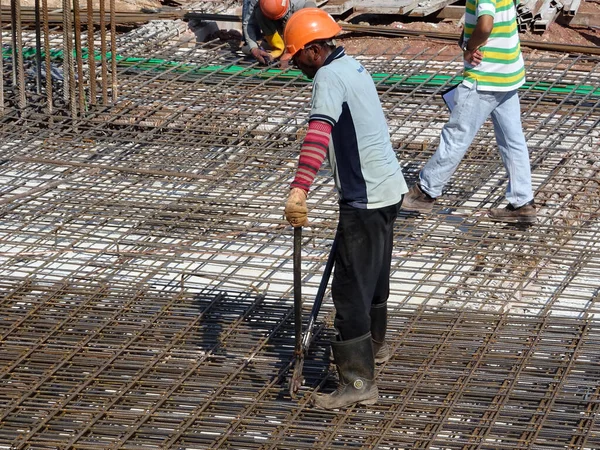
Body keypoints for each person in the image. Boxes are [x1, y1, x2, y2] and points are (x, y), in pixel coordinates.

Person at [283, 8, 408, 409]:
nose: (295, 65)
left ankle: (358, 384)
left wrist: (299, 189)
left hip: (365, 195)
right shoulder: (352, 66)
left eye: (297, 55)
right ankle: (376, 347)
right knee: (373, 275)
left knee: (350, 291)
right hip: (388, 188)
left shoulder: (327, 76)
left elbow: (319, 131)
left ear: (316, 50)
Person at [401, 0, 536, 224]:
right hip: (508, 73)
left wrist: (470, 47)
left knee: (456, 136)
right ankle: (522, 202)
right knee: (513, 141)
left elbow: (485, 25)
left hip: (485, 77)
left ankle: (426, 192)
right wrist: (465, 35)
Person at [242, 0, 316, 66]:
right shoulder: (255, 1)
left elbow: (312, 27)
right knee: (258, 13)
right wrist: (253, 48)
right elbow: (248, 24)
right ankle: (278, 48)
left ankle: (290, 47)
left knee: (305, 22)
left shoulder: (302, 4)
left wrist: (291, 52)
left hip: (293, 16)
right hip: (268, 13)